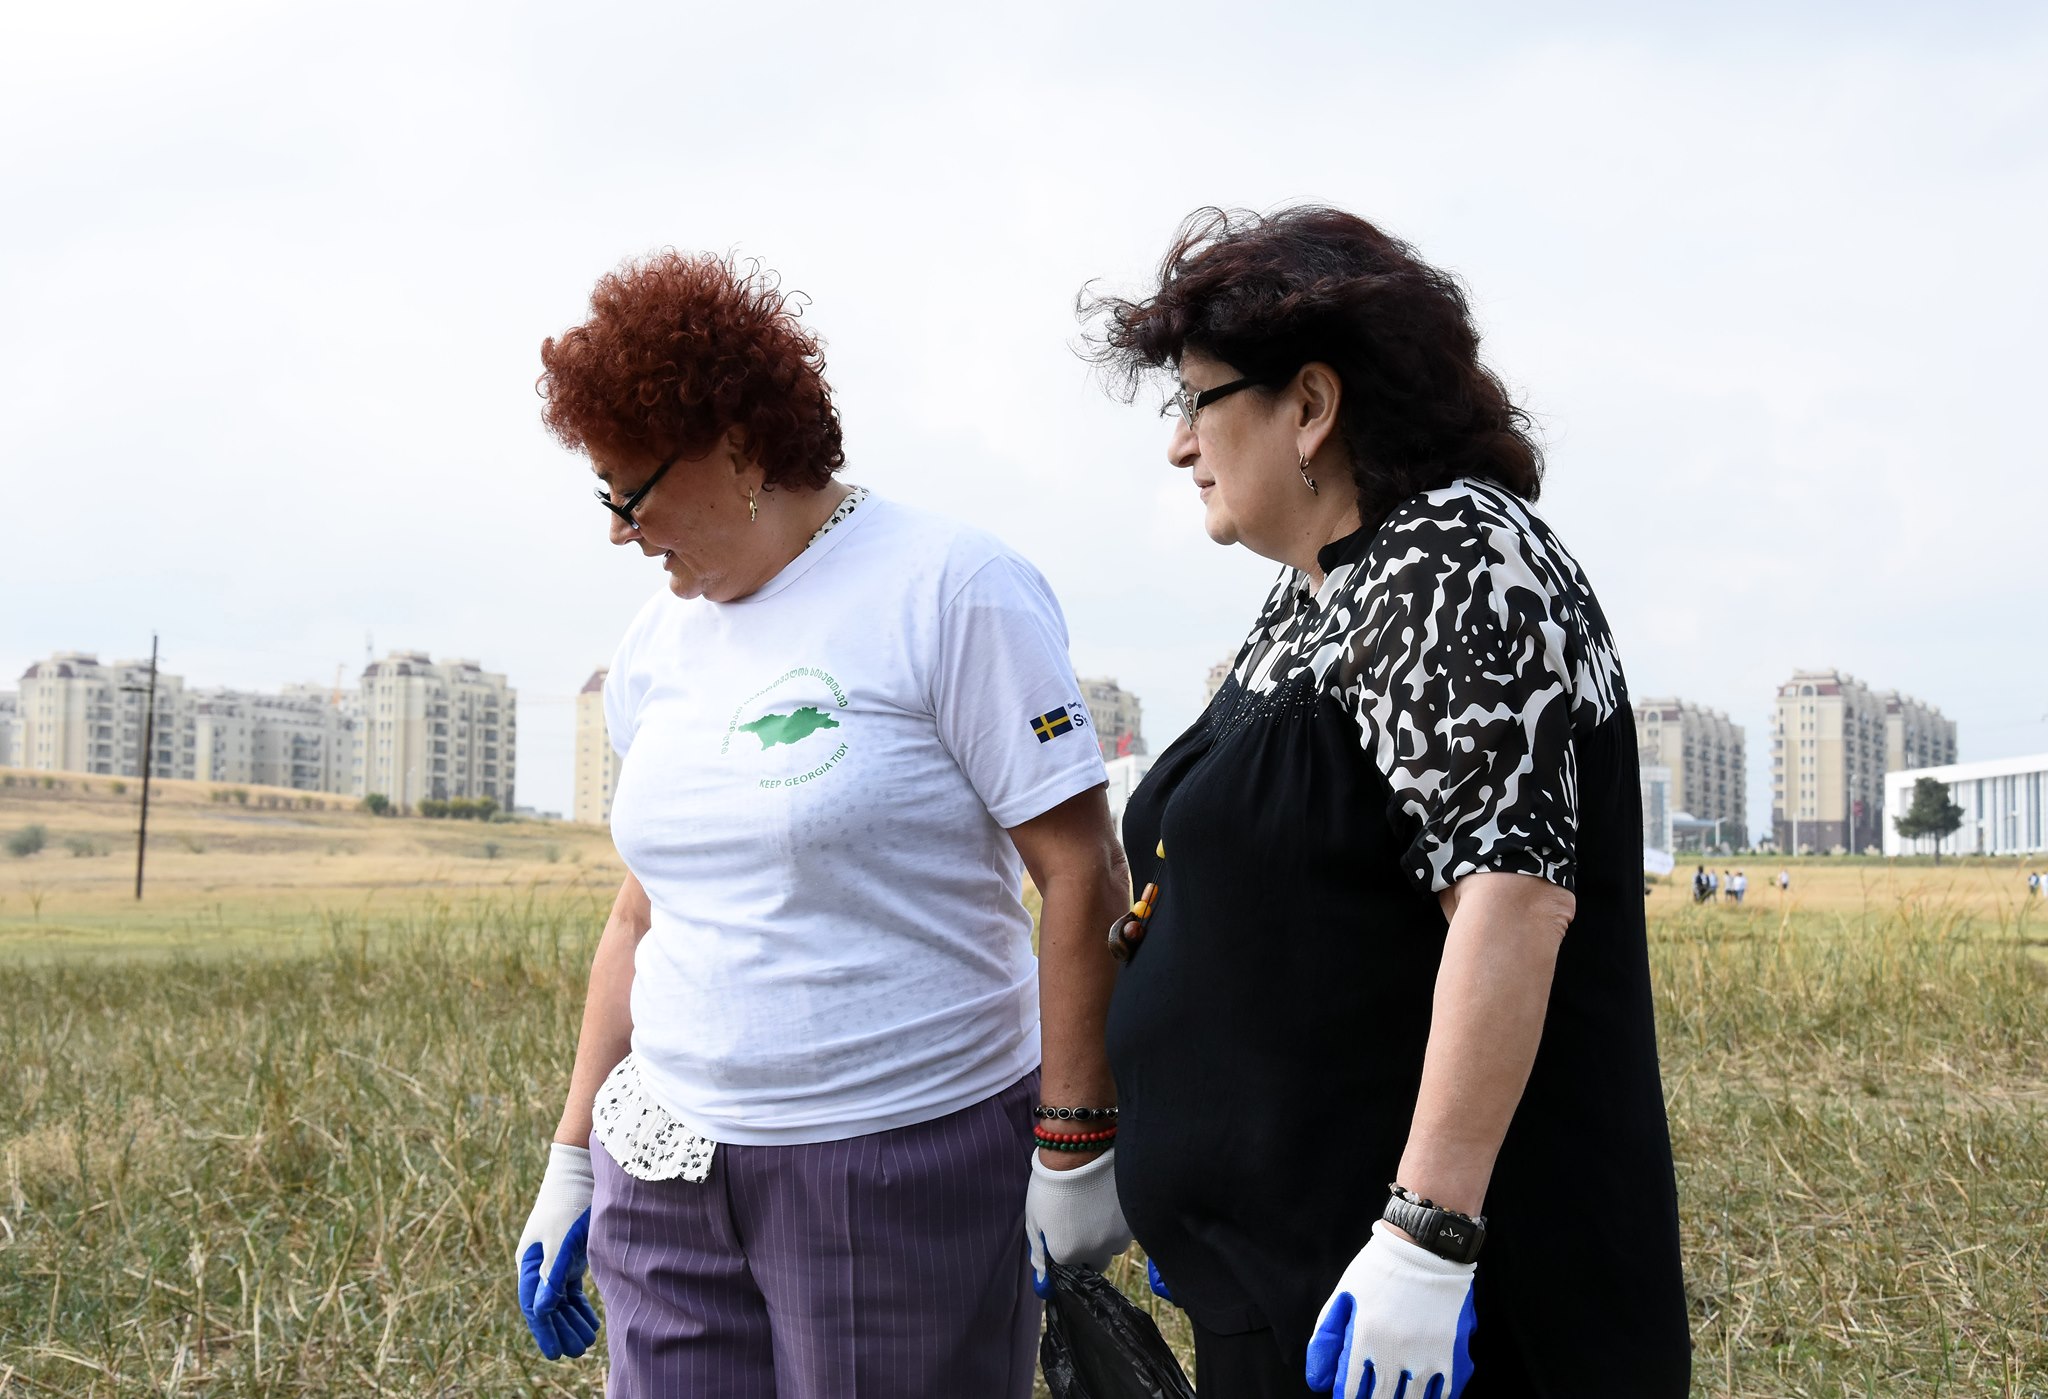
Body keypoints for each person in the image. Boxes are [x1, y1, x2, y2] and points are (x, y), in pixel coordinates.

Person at [1081, 206, 1689, 1398]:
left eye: (1196, 400)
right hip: (1290, 1280)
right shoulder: (1320, 591)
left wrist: (1426, 1235)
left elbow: (1509, 896)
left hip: (1436, 1312)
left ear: (1309, 404)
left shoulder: (1451, 555)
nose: (1179, 444)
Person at [513, 251, 1132, 1397]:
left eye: (629, 492)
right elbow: (641, 913)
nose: (618, 530)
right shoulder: (656, 642)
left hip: (895, 1166)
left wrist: (1074, 1135)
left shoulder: (950, 588)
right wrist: (572, 1158)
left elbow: (1082, 870)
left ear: (739, 449)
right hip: (665, 1167)